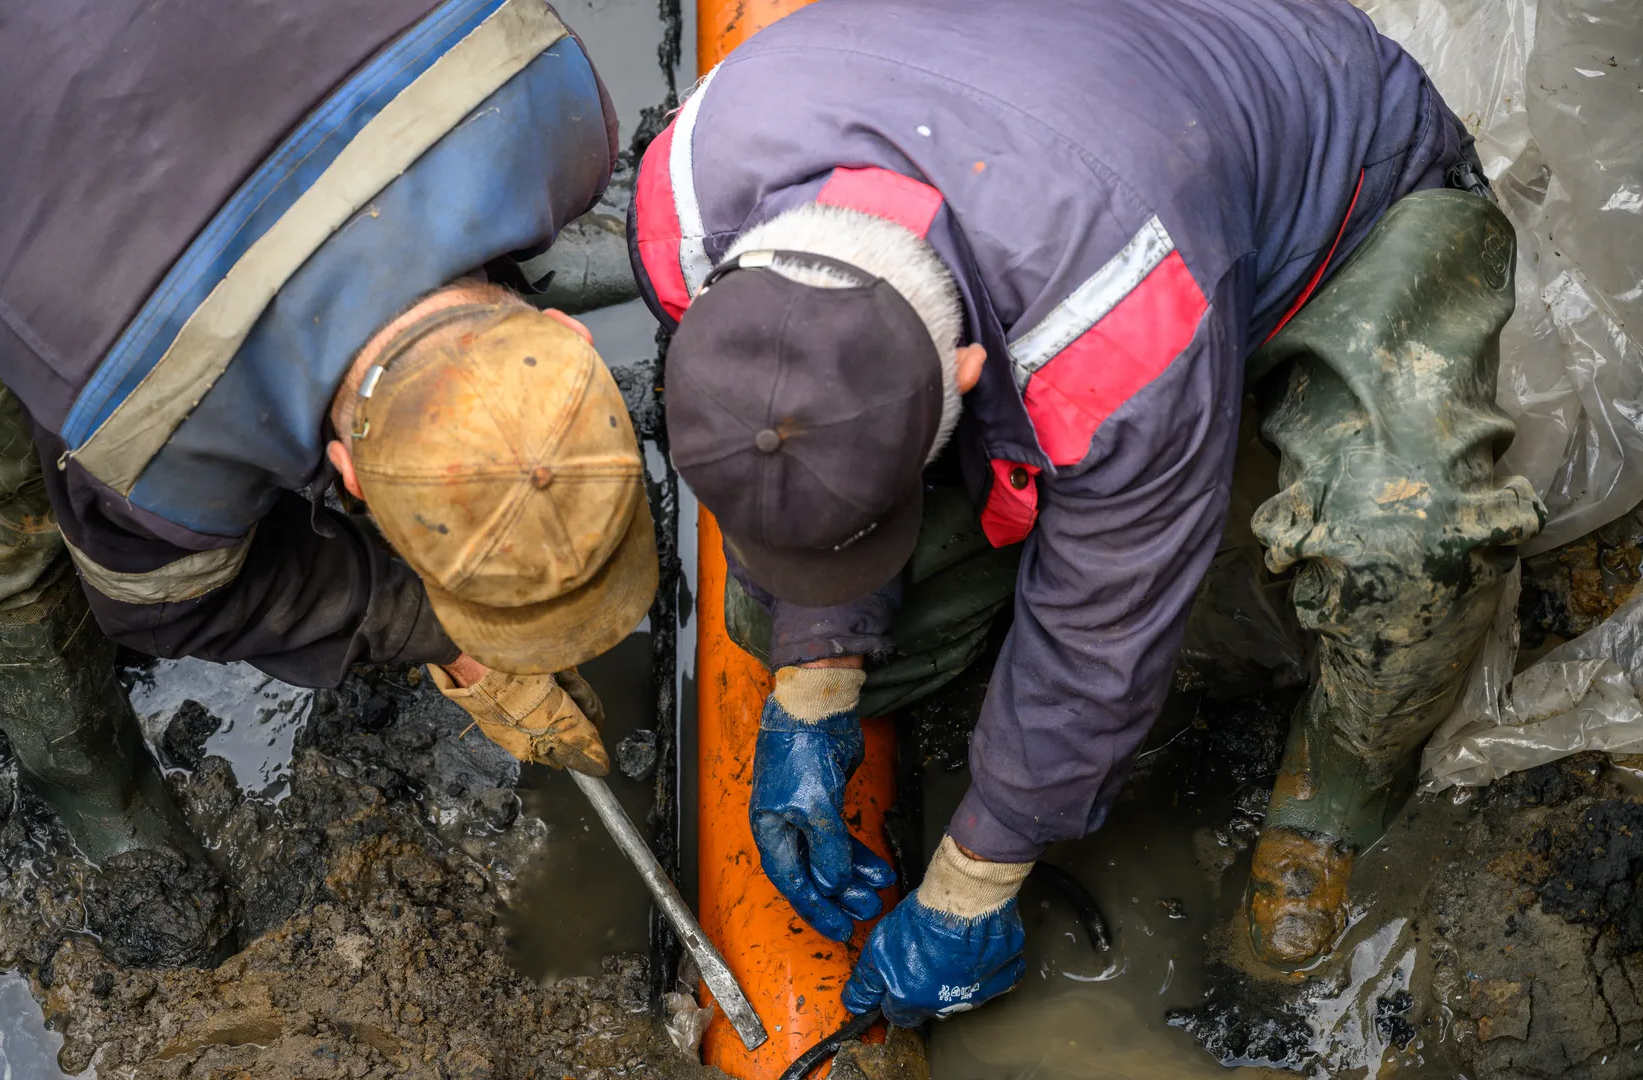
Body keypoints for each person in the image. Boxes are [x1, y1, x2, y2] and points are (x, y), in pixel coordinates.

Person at [630, 0, 1541, 1025]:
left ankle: (1335, 799)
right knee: (781, 622)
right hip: (1055, 148)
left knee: (1406, 539)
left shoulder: (1119, 325)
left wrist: (975, 879)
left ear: (969, 373)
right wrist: (814, 678)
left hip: (1338, 182)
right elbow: (791, 443)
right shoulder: (686, 205)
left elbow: (1102, 627)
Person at [0, 0, 655, 934]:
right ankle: (102, 797)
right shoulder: (135, 413)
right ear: (346, 475)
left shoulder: (541, 87)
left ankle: (415, 298)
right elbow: (168, 599)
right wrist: (430, 625)